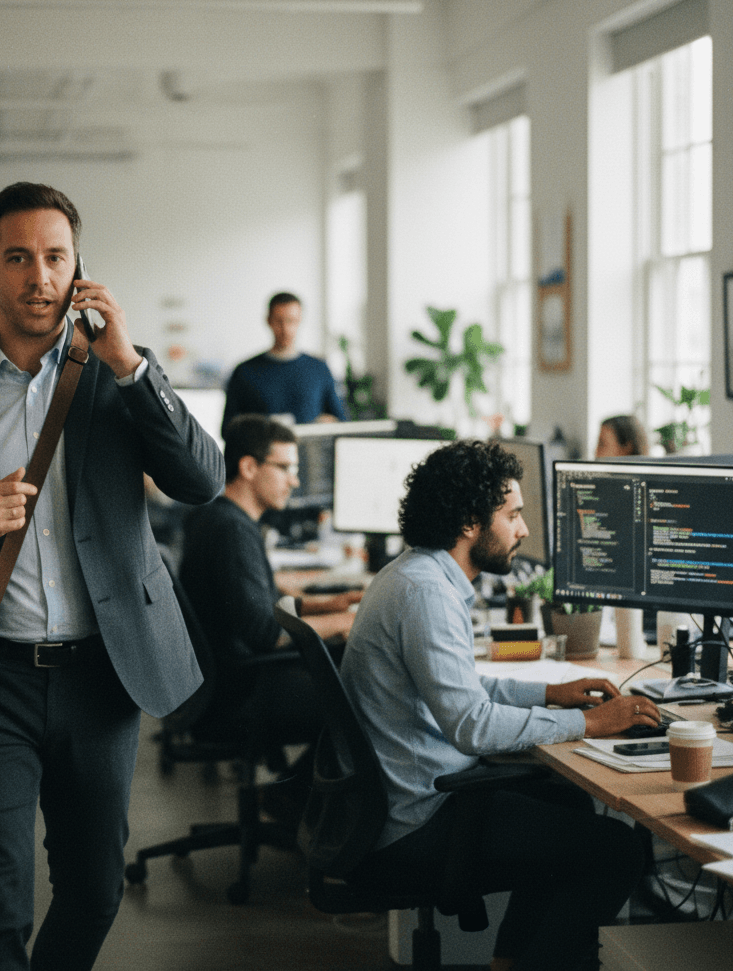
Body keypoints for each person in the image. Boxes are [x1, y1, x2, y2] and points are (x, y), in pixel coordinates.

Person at [0, 182, 224, 971]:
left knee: (94, 891)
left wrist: (130, 362)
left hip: (102, 674)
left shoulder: (118, 378)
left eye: (55, 257)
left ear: (78, 267)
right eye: (18, 257)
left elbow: (203, 481)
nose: (39, 277)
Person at [340, 439, 659, 971]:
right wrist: (588, 722)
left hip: (404, 801)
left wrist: (549, 693)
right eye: (512, 515)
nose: (524, 530)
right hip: (421, 819)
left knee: (569, 803)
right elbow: (470, 725)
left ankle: (508, 961)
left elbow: (459, 688)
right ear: (470, 522)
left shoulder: (416, 575)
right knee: (617, 853)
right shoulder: (426, 595)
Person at [180, 413, 361, 819]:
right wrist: (348, 622)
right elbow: (263, 632)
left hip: (220, 682)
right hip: (239, 692)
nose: (294, 481)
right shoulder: (233, 531)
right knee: (364, 700)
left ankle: (294, 797)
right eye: (285, 468)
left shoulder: (218, 517)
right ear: (248, 467)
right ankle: (297, 802)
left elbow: (258, 602)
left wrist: (325, 605)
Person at [221, 291, 346, 430]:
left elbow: (341, 421)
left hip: (309, 450)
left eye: (291, 321)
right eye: (279, 321)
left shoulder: (319, 369)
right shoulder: (244, 372)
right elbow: (227, 428)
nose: (285, 329)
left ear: (300, 320)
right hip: (262, 451)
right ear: (269, 321)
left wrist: (328, 424)